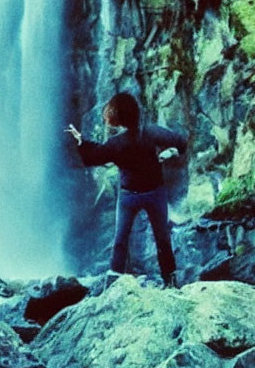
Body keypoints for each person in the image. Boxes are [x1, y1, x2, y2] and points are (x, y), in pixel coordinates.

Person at [67, 92, 187, 287]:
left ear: (118, 118)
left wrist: (80, 141)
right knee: (162, 239)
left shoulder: (116, 143)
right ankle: (170, 281)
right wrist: (171, 152)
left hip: (129, 197)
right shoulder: (151, 132)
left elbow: (95, 156)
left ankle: (113, 282)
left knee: (121, 240)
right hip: (154, 193)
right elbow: (180, 141)